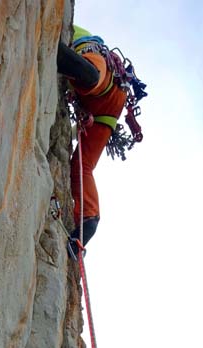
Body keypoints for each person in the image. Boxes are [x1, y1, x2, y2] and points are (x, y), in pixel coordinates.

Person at [57, 26, 128, 258]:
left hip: (101, 78)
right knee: (81, 166)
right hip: (107, 109)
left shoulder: (77, 33)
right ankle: (88, 220)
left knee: (92, 77)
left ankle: (58, 55)